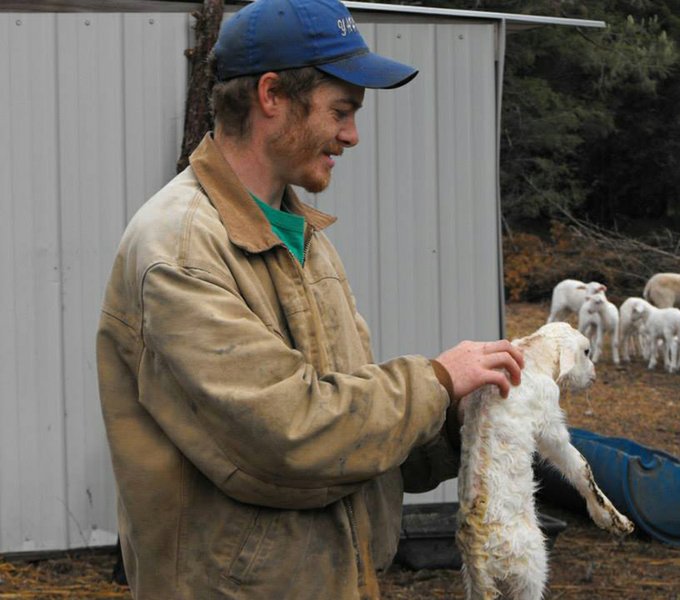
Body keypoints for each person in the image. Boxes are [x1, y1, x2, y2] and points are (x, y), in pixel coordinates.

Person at [96, 0, 524, 598]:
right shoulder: (181, 249)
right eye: (341, 110)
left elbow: (349, 431)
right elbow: (292, 435)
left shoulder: (298, 233)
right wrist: (434, 383)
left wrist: (463, 419)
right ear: (271, 95)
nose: (351, 134)